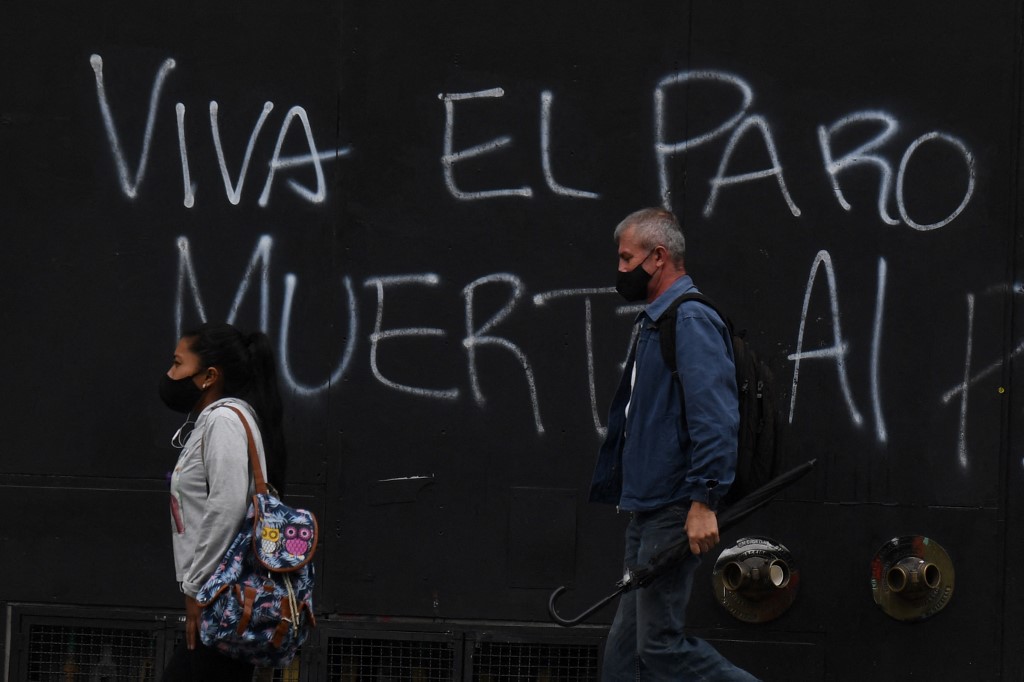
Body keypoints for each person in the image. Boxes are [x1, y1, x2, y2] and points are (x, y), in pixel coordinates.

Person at [590, 208, 759, 681]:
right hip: (648, 508)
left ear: (658, 257)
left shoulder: (690, 320)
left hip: (673, 506)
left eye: (627, 258)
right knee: (625, 654)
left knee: (660, 646)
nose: (620, 269)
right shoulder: (656, 322)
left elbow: (716, 417)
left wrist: (703, 501)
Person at [158, 322, 288, 681]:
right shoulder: (217, 421)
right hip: (223, 596)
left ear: (208, 376)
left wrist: (197, 589)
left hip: (222, 599)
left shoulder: (225, 422)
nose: (170, 374)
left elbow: (227, 508)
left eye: (177, 363)